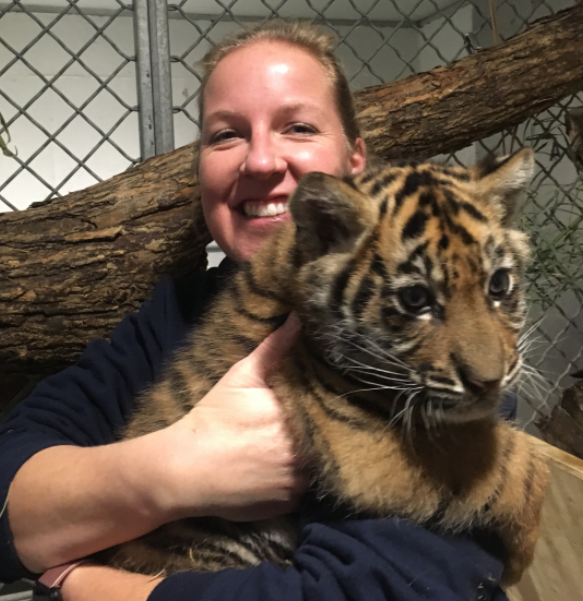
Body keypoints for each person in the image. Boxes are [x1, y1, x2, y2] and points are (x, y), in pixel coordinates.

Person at [0, 20, 511, 601]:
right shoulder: (172, 315)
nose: (262, 161)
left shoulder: (428, 332)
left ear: (356, 162)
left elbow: (378, 588)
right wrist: (172, 472)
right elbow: (11, 479)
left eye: (298, 126)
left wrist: (90, 584)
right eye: (225, 136)